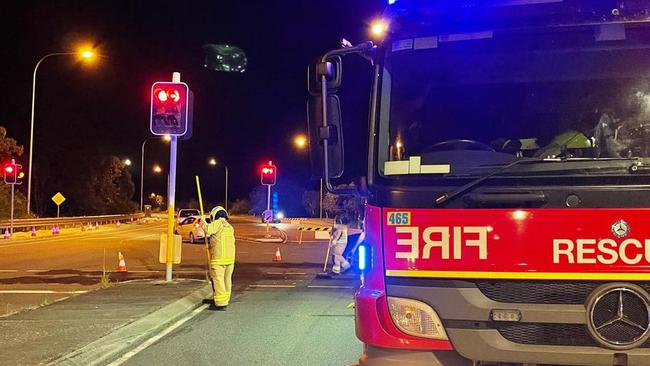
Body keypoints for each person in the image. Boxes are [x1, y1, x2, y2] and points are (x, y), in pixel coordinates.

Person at [203, 206, 236, 310]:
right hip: (230, 259)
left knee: (218, 279)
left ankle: (221, 302)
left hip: (219, 258)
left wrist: (203, 222)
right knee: (227, 279)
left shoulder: (217, 223)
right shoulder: (229, 226)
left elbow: (208, 230)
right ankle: (224, 298)